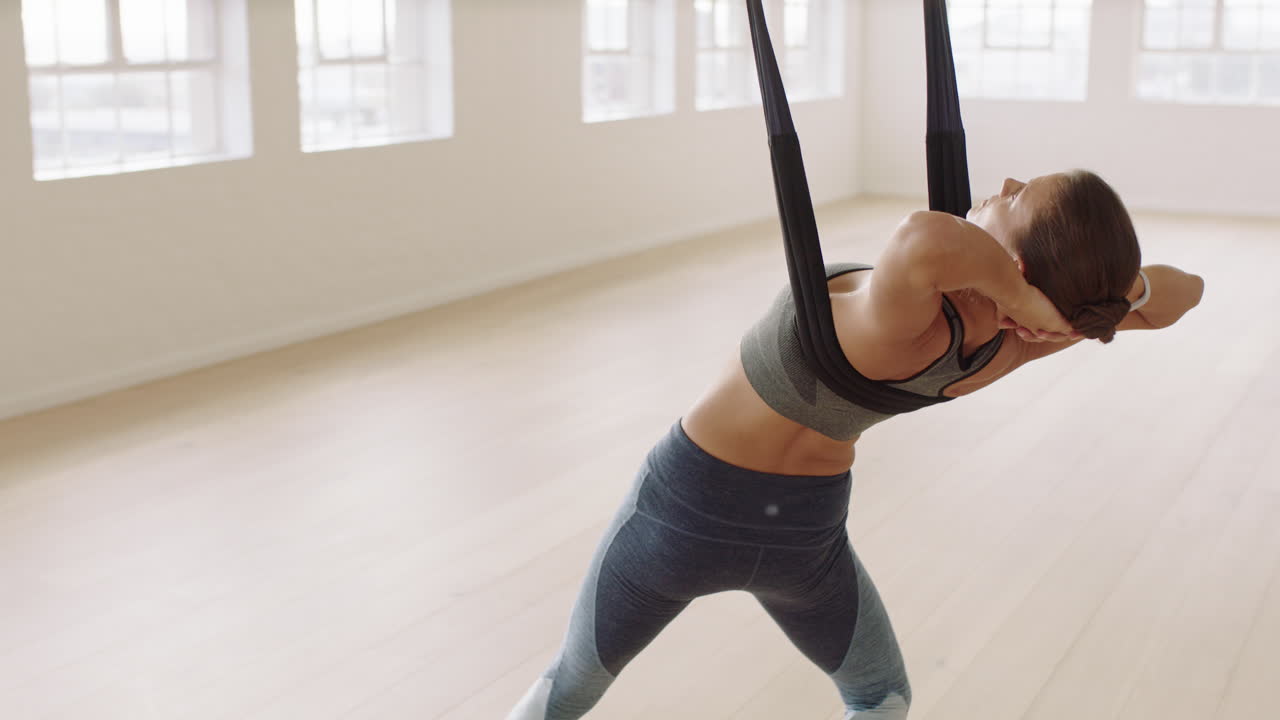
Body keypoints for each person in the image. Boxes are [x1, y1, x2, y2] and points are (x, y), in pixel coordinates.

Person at [507, 170, 1205, 719]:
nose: (1009, 181)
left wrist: (1031, 302)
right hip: (804, 541)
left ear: (1018, 264)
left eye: (1020, 196)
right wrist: (1083, 307)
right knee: (881, 701)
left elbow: (923, 240)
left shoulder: (909, 316)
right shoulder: (1008, 351)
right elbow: (1187, 293)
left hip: (682, 512)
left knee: (568, 684)